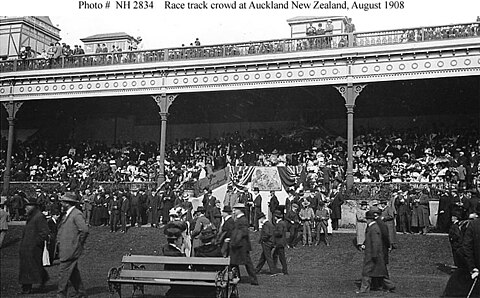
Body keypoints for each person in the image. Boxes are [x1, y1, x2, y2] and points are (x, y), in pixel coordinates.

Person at [57, 192, 89, 298]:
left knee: (63, 273)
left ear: (67, 203)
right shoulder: (68, 214)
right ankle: (81, 293)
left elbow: (84, 230)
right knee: (73, 273)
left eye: (63, 201)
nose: (61, 203)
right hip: (67, 248)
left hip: (71, 249)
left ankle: (61, 294)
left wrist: (78, 243)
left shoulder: (76, 214)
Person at [356, 211, 395, 294]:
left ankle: (364, 289)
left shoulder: (373, 228)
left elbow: (375, 242)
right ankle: (390, 286)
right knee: (380, 272)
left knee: (367, 272)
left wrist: (374, 254)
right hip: (374, 254)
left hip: (372, 254)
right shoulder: (374, 227)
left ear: (369, 220)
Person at [18, 196, 50, 294]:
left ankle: (26, 288)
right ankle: (42, 279)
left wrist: (35, 243)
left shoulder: (39, 216)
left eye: (28, 205)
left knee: (29, 267)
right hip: (27, 247)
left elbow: (44, 232)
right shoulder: (32, 216)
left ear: (34, 206)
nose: (25, 208)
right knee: (34, 266)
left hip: (33, 248)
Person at [230, 203, 258, 285]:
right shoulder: (239, 219)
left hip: (242, 245)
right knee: (234, 261)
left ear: (240, 210)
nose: (234, 211)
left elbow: (243, 232)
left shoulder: (243, 220)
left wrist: (236, 241)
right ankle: (237, 277)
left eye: (235, 209)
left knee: (247, 263)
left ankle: (253, 279)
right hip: (238, 244)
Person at [255, 211, 279, 275]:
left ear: (261, 218)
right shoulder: (269, 224)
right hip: (270, 243)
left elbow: (267, 234)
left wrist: (263, 240)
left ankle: (273, 271)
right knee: (263, 258)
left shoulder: (266, 225)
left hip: (267, 243)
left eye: (259, 219)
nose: (259, 221)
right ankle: (256, 270)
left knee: (268, 258)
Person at [272, 210, 288, 275]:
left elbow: (280, 233)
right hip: (281, 242)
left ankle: (284, 270)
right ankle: (276, 268)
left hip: (279, 242)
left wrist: (273, 232)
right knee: (276, 255)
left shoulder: (280, 224)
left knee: (281, 257)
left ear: (276, 217)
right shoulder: (283, 223)